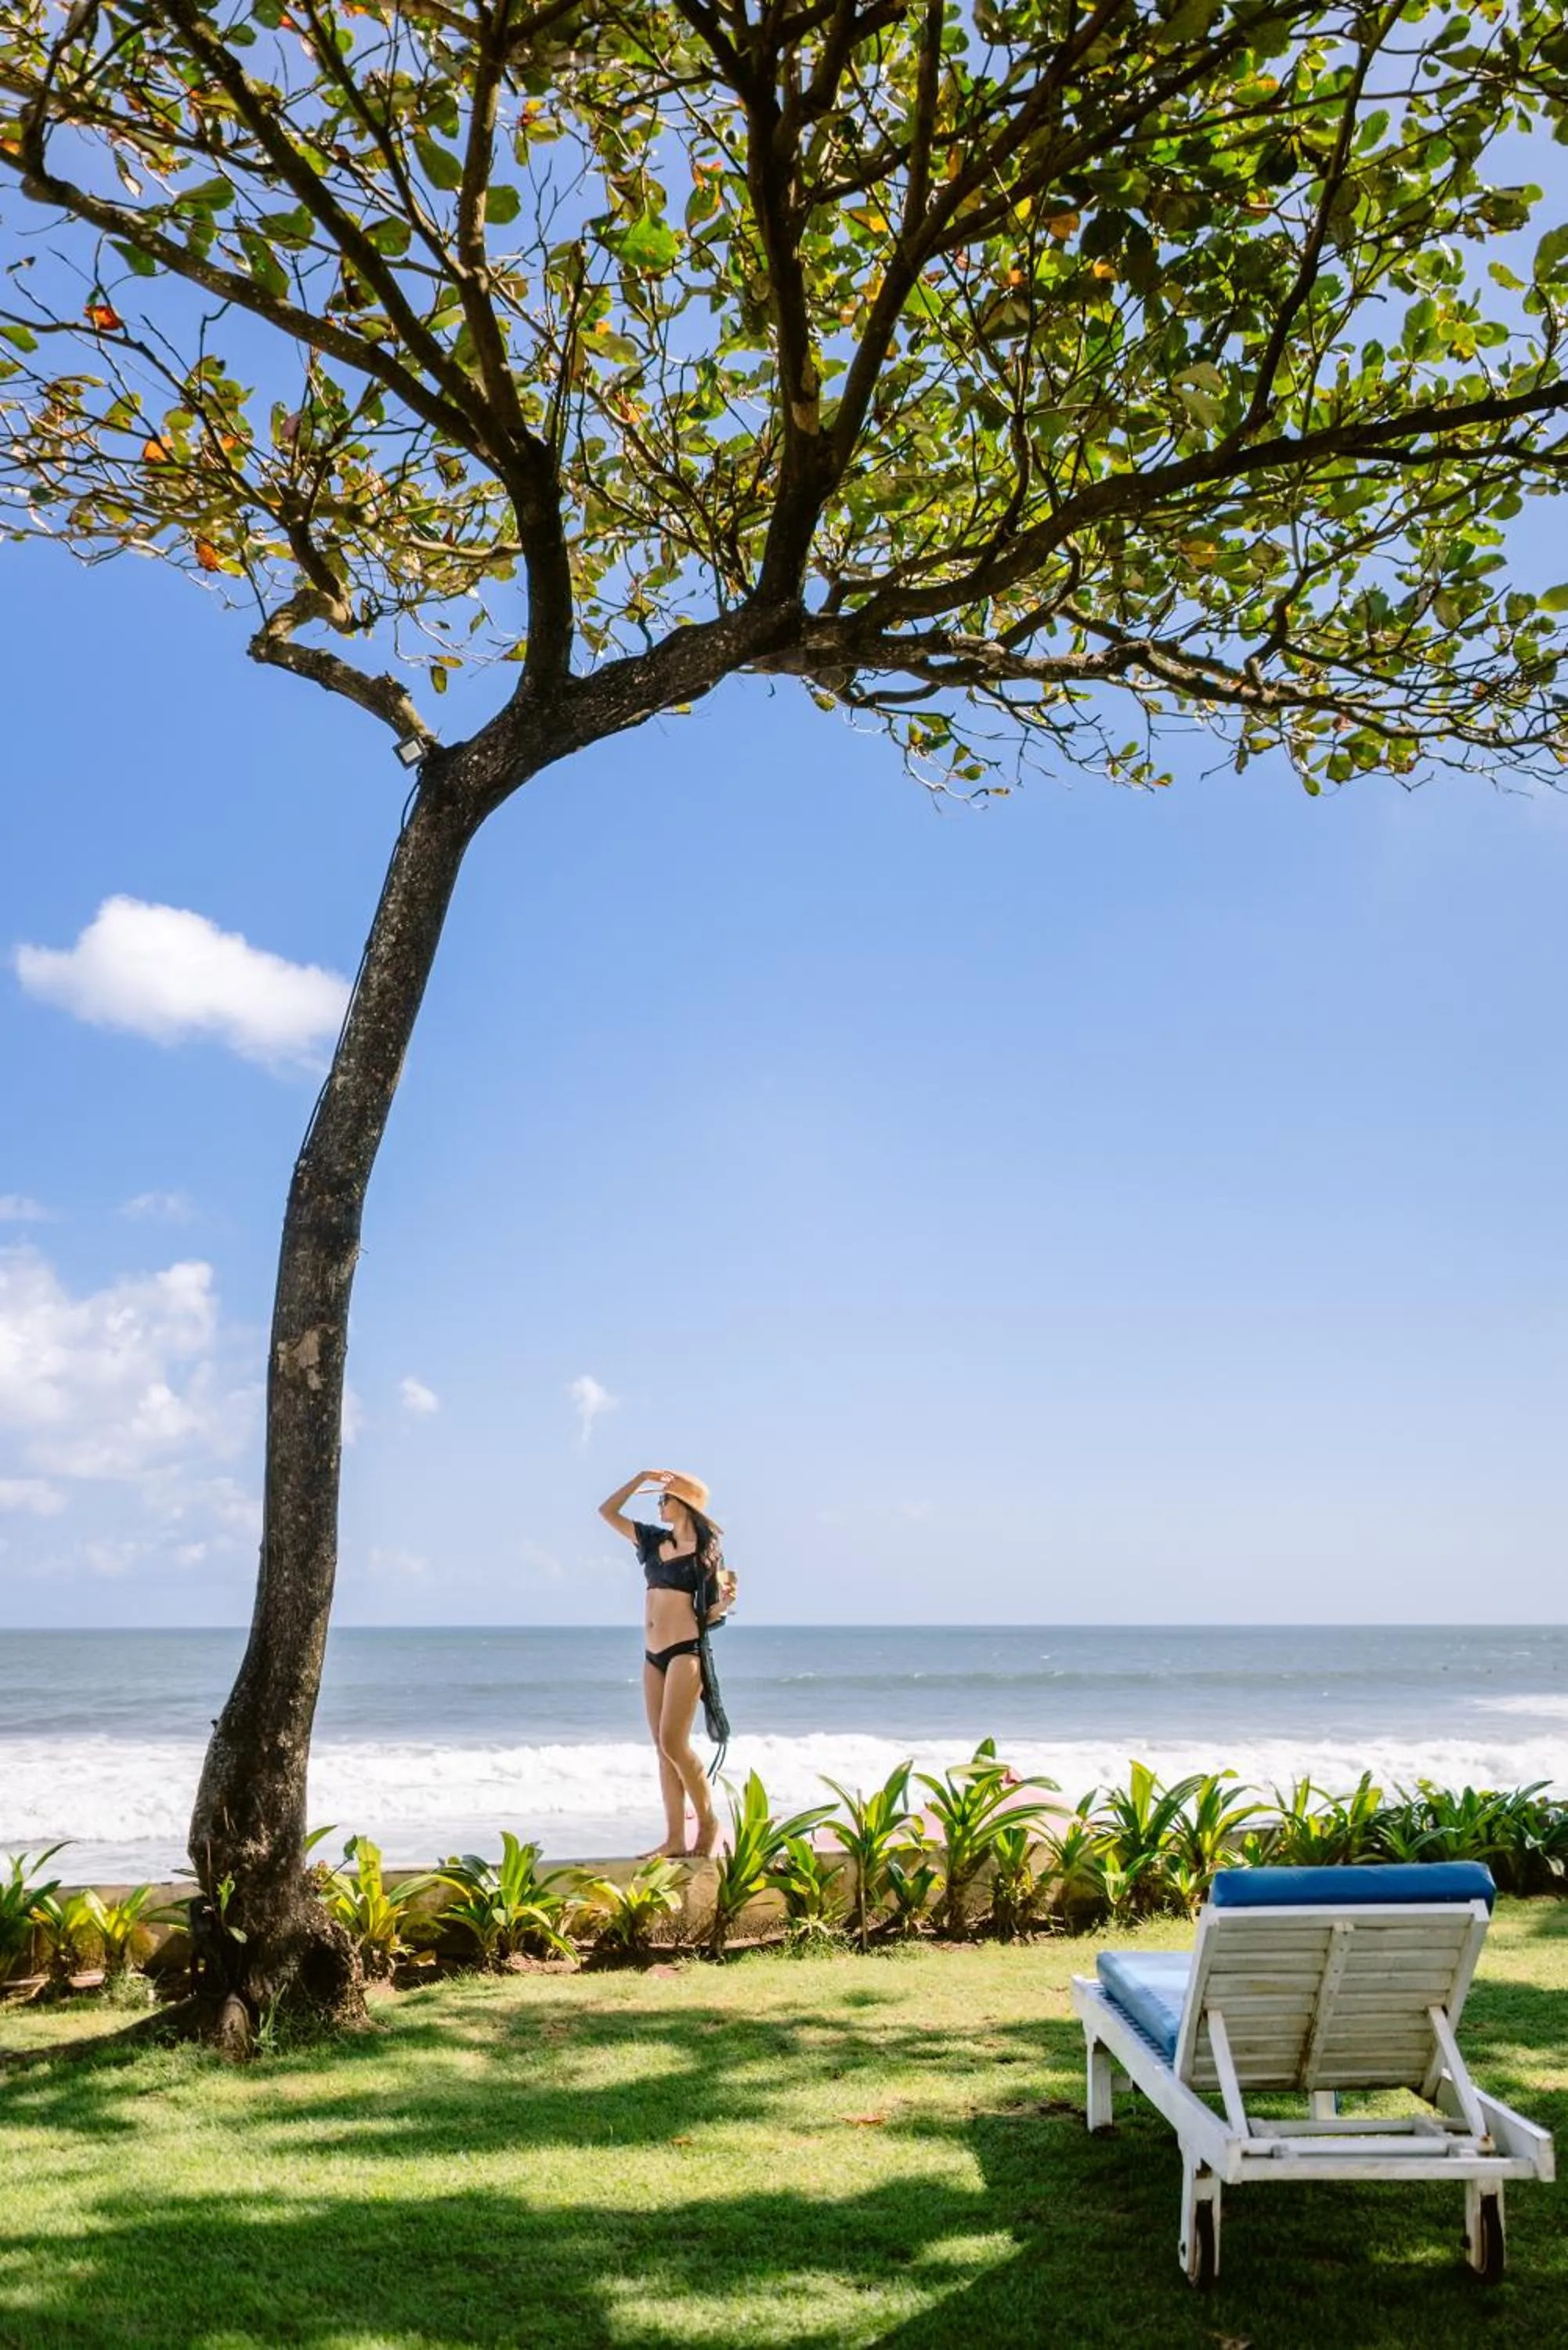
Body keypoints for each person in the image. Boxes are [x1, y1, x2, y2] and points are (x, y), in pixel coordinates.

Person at [598, 1468, 736, 1857]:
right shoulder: (652, 1540)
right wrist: (639, 1478)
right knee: (662, 1748)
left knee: (675, 1743)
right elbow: (608, 1512)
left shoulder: (706, 1555)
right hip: (653, 1655)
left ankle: (707, 1823)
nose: (659, 1504)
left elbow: (709, 1615)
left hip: (685, 1651)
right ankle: (675, 1839)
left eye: (665, 1498)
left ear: (685, 1505)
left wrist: (725, 1604)